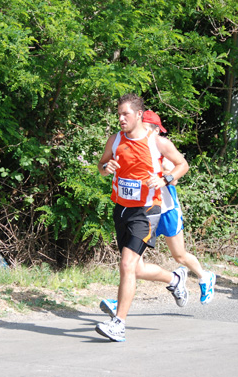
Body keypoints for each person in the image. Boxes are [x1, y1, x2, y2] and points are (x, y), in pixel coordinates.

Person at [99, 111, 216, 318]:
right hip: (143, 211)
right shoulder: (129, 142)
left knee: (178, 254)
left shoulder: (158, 147)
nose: (156, 133)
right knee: (134, 265)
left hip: (166, 209)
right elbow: (108, 165)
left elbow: (177, 173)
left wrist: (162, 172)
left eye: (157, 131)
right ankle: (172, 281)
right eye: (154, 128)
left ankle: (204, 276)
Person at [95, 94, 190, 342]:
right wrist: (107, 168)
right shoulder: (115, 140)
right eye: (118, 114)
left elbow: (182, 165)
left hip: (147, 210)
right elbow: (102, 166)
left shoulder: (157, 142)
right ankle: (175, 278)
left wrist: (165, 179)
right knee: (135, 268)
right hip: (122, 208)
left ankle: (119, 324)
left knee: (126, 265)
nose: (120, 118)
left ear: (138, 115)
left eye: (125, 114)